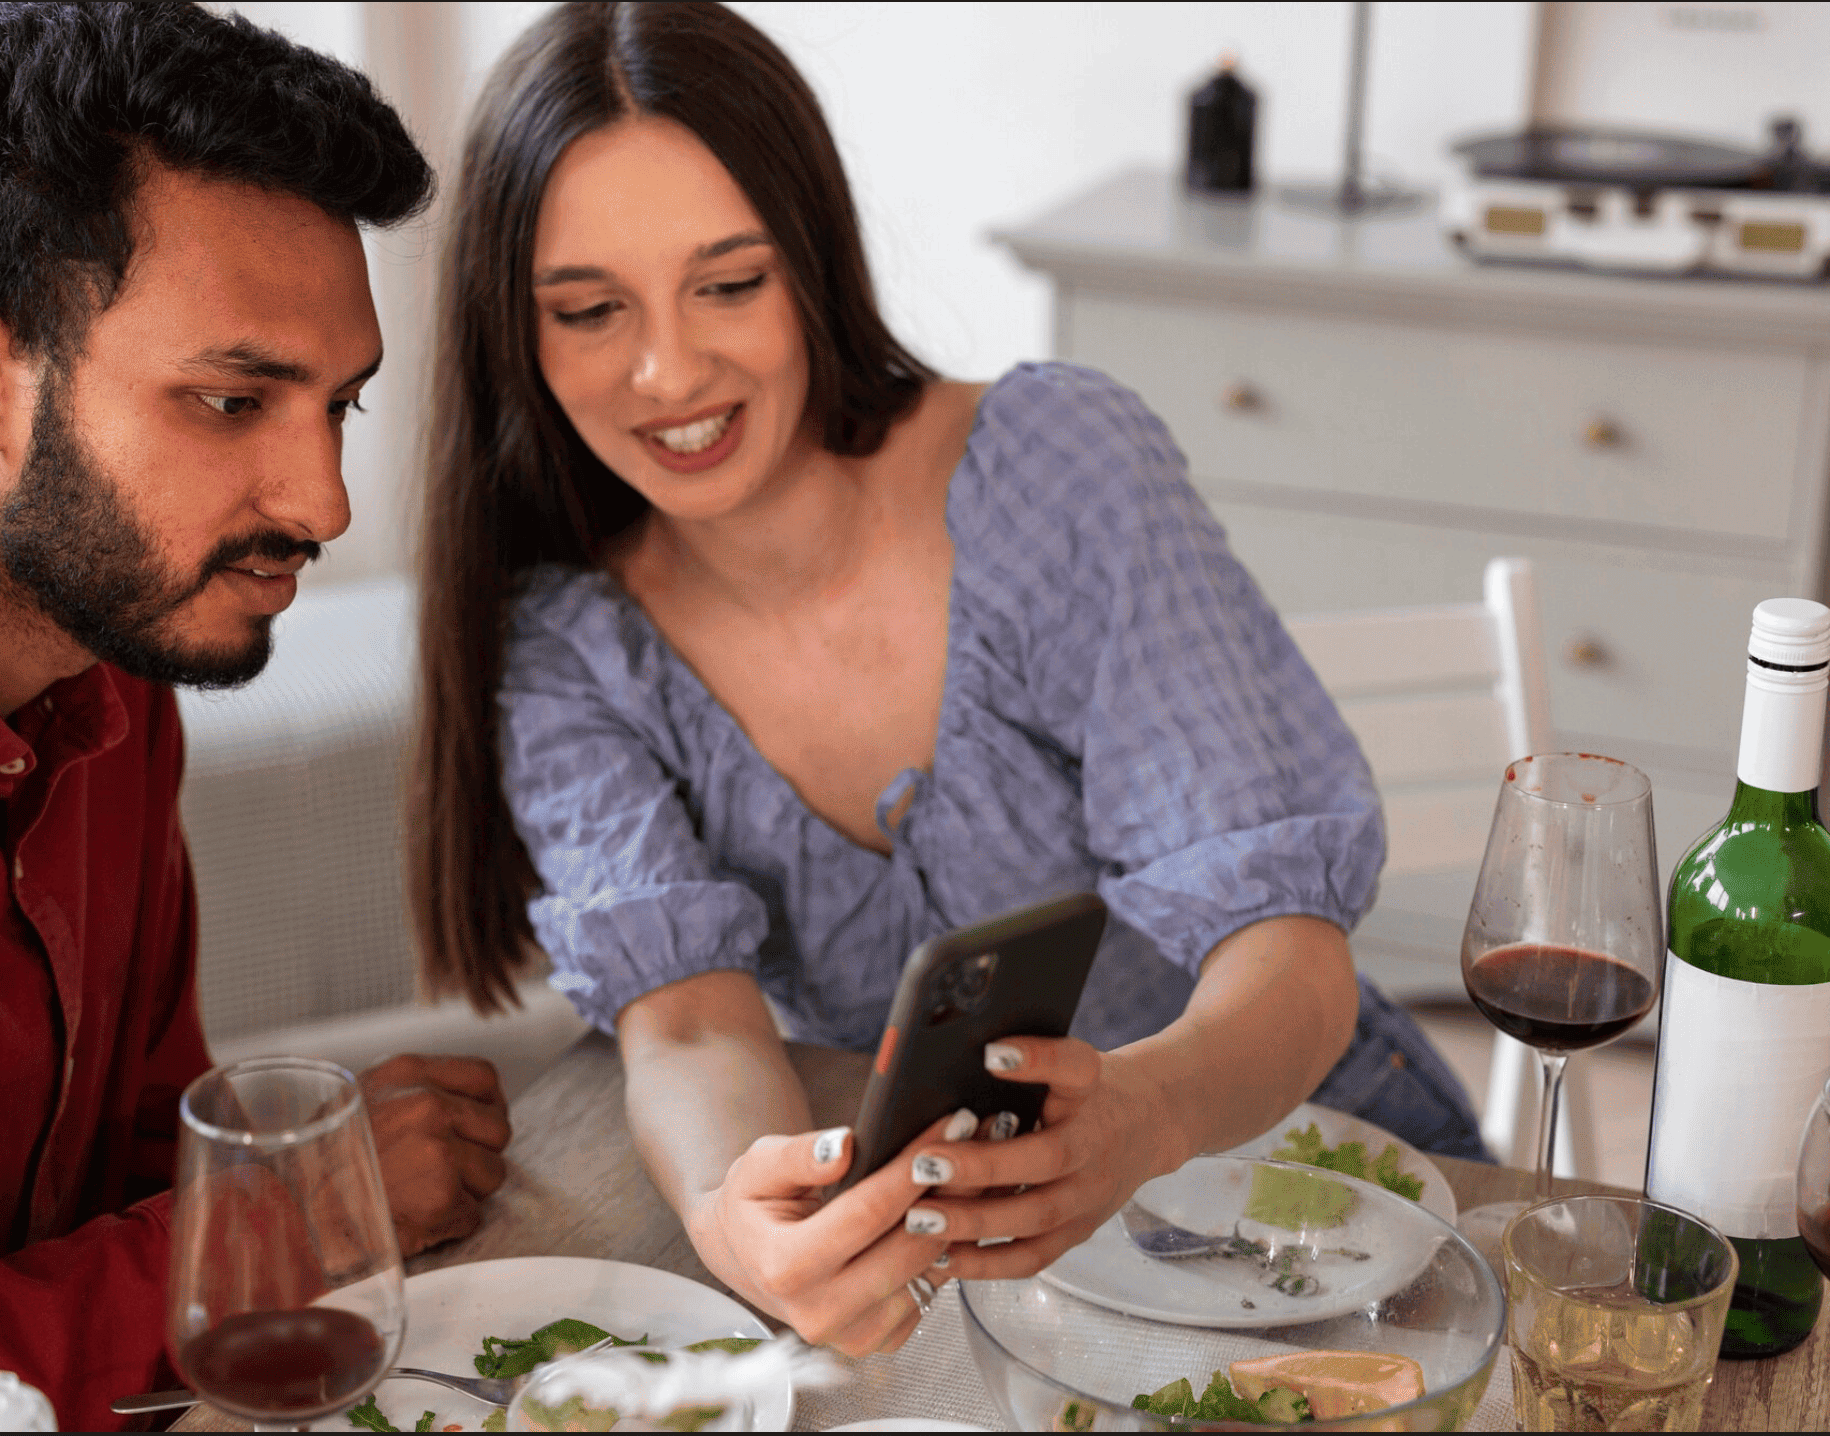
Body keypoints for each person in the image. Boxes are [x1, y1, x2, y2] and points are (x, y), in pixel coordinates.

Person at [409, 0, 1484, 1360]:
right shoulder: (568, 642)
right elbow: (685, 1026)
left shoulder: (1057, 471)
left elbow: (1294, 958)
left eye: (729, 284)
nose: (666, 369)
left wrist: (1145, 1113)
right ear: (514, 330)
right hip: (1015, 1276)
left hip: (1326, 1172)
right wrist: (739, 1215)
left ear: (812, 260)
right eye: (588, 310)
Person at [0, 5, 510, 1429]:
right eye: (234, 401)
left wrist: (266, 1193)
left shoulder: (112, 652)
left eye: (341, 407)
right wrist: (288, 1224)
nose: (323, 504)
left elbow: (130, 1181)